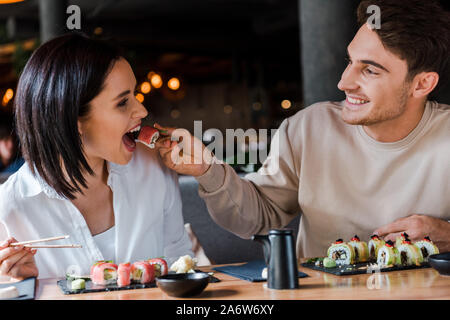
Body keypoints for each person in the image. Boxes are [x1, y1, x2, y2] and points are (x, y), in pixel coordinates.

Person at [154, 0, 450, 259]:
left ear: (422, 84)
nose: (344, 82)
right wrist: (207, 169)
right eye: (350, 61)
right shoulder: (308, 128)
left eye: (370, 70)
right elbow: (256, 217)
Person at [0, 33, 193, 281]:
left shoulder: (154, 168)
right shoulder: (10, 208)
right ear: (74, 119)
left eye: (135, 95)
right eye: (123, 102)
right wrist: (25, 285)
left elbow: (181, 267)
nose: (142, 110)